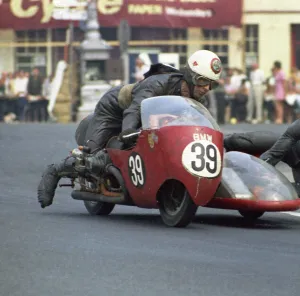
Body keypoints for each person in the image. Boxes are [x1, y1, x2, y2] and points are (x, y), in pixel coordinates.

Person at [37, 50, 223, 209]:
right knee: (91, 156)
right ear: (190, 76)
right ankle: (56, 170)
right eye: (202, 81)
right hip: (114, 110)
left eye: (211, 83)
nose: (206, 88)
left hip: (149, 118)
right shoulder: (157, 84)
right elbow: (135, 109)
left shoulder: (198, 99)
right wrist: (127, 131)